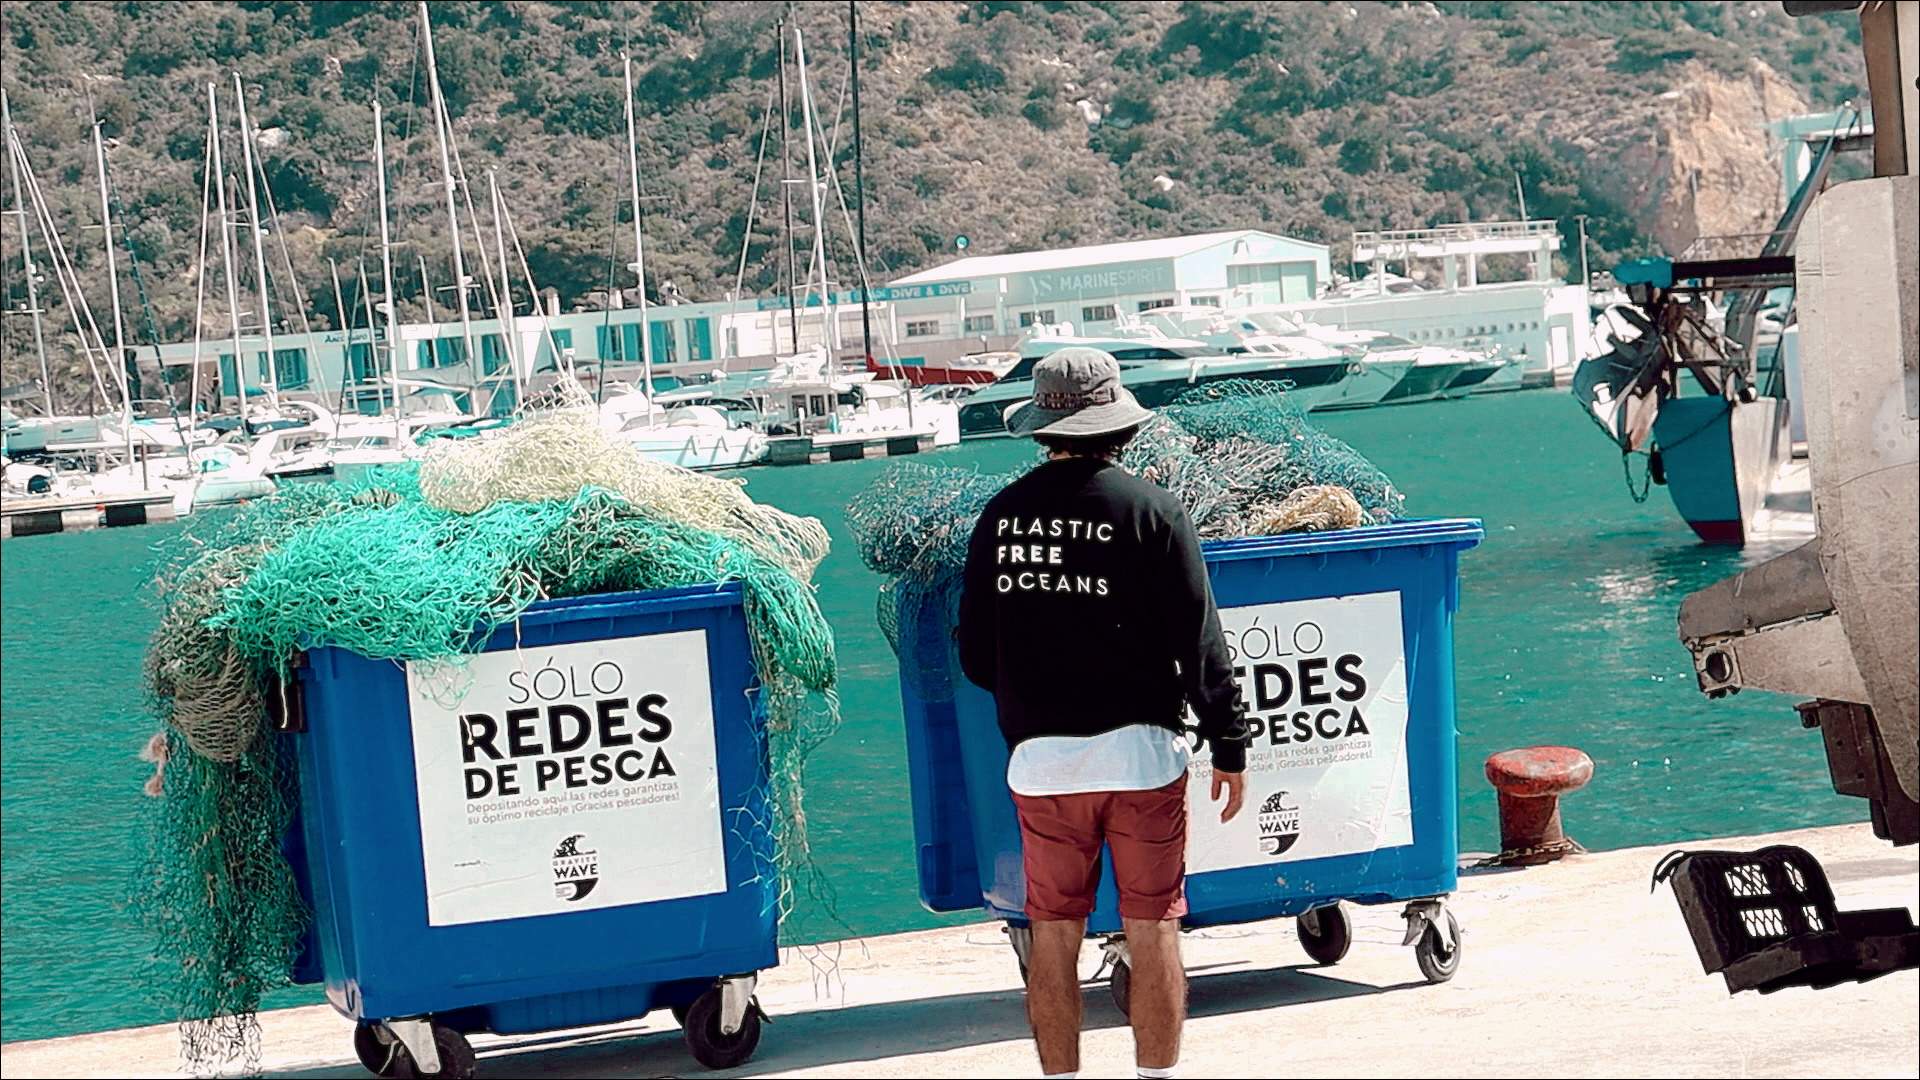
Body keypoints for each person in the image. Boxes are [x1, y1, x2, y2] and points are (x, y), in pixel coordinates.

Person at [957, 347, 1249, 1080]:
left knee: (1054, 937)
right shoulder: (1154, 510)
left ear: (1041, 425)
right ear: (1119, 424)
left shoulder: (1001, 518)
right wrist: (1230, 746)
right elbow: (1200, 642)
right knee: (1153, 930)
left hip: (1043, 765)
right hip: (1142, 758)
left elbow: (973, 655)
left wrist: (1036, 701)